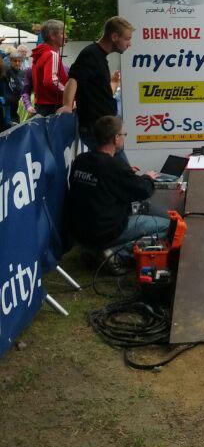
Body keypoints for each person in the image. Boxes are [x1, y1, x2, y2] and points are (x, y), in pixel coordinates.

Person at [67, 115, 170, 269]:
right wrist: (148, 177)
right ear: (116, 138)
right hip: (107, 231)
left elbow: (101, 185)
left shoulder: (81, 160)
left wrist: (126, 174)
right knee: (168, 226)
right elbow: (143, 191)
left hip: (80, 231)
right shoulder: (114, 166)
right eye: (124, 134)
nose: (124, 137)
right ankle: (116, 253)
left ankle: (94, 249)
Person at [59, 16, 133, 152]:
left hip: (105, 128)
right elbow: (73, 79)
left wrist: (113, 83)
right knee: (116, 165)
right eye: (127, 39)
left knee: (117, 164)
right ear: (114, 37)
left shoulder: (99, 56)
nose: (130, 44)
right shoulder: (90, 54)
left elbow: (101, 95)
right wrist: (67, 105)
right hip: (97, 129)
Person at [31, 19, 69, 116]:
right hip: (52, 107)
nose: (65, 36)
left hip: (42, 106)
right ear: (52, 36)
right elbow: (51, 81)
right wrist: (68, 92)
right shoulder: (52, 54)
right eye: (62, 33)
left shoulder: (41, 54)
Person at [4, 50, 25, 124]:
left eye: (19, 61)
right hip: (8, 105)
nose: (17, 63)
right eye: (15, 61)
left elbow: (22, 88)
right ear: (10, 61)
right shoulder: (6, 72)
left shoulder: (23, 73)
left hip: (19, 106)